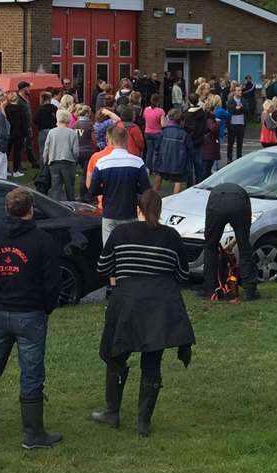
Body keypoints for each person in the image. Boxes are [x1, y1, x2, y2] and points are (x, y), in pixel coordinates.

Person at [91, 190, 195, 437]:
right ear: (160, 210)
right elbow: (183, 275)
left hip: (126, 302)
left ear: (137, 208)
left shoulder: (120, 233)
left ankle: (112, 412)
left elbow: (102, 267)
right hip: (160, 305)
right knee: (152, 362)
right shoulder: (171, 236)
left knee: (116, 354)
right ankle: (143, 422)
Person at [0, 187, 63, 447]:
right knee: (31, 373)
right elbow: (53, 282)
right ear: (31, 210)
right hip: (30, 313)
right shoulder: (42, 241)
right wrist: (46, 307)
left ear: (6, 209)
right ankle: (33, 434)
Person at [90, 125, 151, 244]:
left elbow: (93, 190)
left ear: (110, 140)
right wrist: (134, 188)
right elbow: (146, 189)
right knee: (130, 246)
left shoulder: (102, 162)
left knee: (108, 247)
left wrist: (107, 189)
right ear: (127, 140)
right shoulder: (137, 162)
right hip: (130, 212)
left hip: (109, 212)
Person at [201, 181, 258, 301]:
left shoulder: (214, 193)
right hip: (239, 203)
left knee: (210, 246)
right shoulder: (243, 195)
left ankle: (211, 289)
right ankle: (250, 290)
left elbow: (210, 241)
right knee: (244, 248)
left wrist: (228, 244)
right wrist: (235, 242)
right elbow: (244, 232)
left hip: (216, 203)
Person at [42, 108, 80, 201]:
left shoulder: (52, 132)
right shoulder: (72, 133)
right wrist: (74, 160)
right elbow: (75, 151)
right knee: (69, 187)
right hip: (68, 162)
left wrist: (45, 160)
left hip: (54, 162)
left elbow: (46, 148)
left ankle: (56, 206)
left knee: (55, 187)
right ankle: (71, 204)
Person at [154, 109, 194, 194]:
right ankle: (174, 200)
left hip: (163, 162)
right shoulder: (184, 134)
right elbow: (190, 149)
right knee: (178, 181)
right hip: (178, 164)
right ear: (181, 120)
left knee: (159, 176)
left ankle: (154, 196)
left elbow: (157, 147)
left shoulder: (163, 132)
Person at [6, 83, 35, 175]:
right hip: (17, 131)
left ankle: (15, 168)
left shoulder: (24, 100)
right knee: (14, 150)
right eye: (28, 88)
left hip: (18, 130)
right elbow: (21, 118)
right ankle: (15, 169)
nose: (29, 89)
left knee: (16, 150)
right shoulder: (18, 103)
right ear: (23, 88)